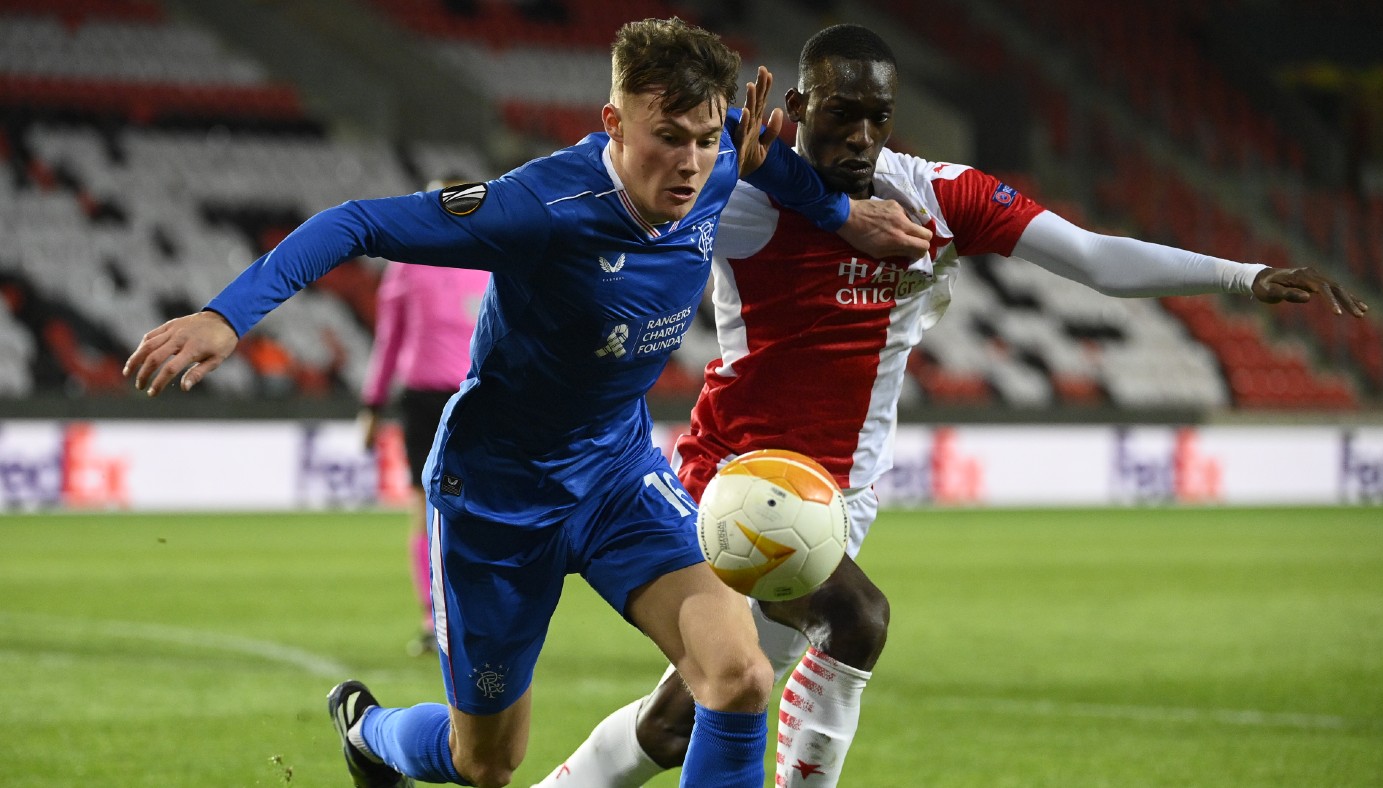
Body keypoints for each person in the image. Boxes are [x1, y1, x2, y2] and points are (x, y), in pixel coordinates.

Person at [531, 23, 1369, 788]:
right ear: (800, 108)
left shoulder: (936, 197)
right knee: (858, 620)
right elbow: (624, 191)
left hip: (843, 494)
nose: (860, 136)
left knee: (681, 721)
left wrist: (1242, 276)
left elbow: (1093, 258)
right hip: (741, 477)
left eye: (878, 118)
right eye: (841, 114)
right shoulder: (743, 192)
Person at [123, 17, 931, 788]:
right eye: (668, 138)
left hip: (617, 476)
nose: (691, 163)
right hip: (497, 497)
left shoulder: (718, 160)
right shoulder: (538, 209)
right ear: (614, 125)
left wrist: (841, 214)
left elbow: (764, 162)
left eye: (704, 138)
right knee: (486, 762)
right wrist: (227, 315)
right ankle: (369, 732)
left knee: (739, 676)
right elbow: (357, 222)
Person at [356, 204, 493, 656]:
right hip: (468, 396)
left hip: (444, 398)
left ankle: (437, 619)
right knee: (469, 507)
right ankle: (465, 618)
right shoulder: (487, 259)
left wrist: (372, 405)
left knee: (431, 507)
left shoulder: (409, 265)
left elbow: (388, 341)